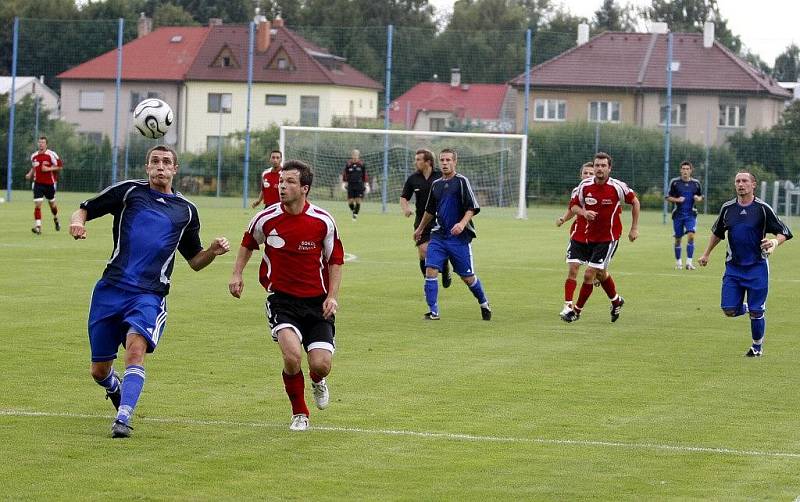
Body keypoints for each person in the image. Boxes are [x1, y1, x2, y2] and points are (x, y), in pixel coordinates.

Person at [69, 145, 230, 438]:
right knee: (99, 371)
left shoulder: (186, 211)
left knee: (135, 349)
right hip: (110, 290)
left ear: (175, 169)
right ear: (146, 167)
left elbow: (195, 261)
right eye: (155, 161)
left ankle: (123, 417)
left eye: (166, 162)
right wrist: (77, 223)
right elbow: (85, 208)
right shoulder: (130, 192)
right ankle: (114, 387)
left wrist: (212, 252)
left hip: (149, 294)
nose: (160, 166)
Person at [229, 160, 344, 432]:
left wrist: (332, 296)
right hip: (282, 300)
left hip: (317, 303)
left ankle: (317, 380)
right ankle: (299, 413)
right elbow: (247, 243)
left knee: (321, 364)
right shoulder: (265, 218)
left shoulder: (322, 221)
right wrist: (237, 274)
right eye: (281, 181)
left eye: (290, 181)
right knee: (292, 357)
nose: (282, 186)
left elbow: (335, 260)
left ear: (304, 188)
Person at [698, 171, 792, 357]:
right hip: (733, 268)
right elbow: (718, 232)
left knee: (757, 313)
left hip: (757, 267)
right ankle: (749, 306)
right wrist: (706, 253)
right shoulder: (727, 208)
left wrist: (774, 242)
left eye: (744, 181)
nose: (740, 184)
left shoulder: (763, 209)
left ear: (753, 185)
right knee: (729, 310)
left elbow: (784, 232)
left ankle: (757, 347)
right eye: (737, 181)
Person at [561, 152, 640, 323]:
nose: (599, 168)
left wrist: (634, 228)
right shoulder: (585, 185)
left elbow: (635, 202)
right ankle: (616, 300)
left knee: (589, 274)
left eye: (603, 165)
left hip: (608, 238)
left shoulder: (617, 187)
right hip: (589, 237)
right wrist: (584, 212)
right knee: (601, 274)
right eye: (597, 165)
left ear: (609, 168)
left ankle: (576, 311)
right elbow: (573, 206)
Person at [413, 148, 491, 321]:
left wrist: (462, 224)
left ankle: (484, 302)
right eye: (442, 160)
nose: (445, 163)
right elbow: (430, 210)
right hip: (438, 236)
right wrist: (419, 229)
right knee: (430, 269)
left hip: (458, 239)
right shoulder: (437, 184)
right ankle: (434, 311)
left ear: (455, 162)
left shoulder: (462, 181)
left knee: (467, 277)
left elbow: (472, 207)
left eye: (448, 160)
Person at [400, 148, 452, 288]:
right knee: (423, 252)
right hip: (421, 220)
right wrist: (406, 209)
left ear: (428, 162)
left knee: (439, 249)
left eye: (418, 159)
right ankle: (428, 283)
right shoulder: (413, 179)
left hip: (440, 220)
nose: (415, 162)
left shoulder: (441, 176)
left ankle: (445, 266)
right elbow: (404, 197)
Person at [556, 161, 594, 316]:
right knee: (573, 269)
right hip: (578, 235)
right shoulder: (577, 191)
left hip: (597, 238)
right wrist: (564, 219)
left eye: (591, 173)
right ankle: (568, 305)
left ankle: (615, 300)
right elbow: (573, 208)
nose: (588, 175)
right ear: (581, 175)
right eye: (586, 173)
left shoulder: (602, 190)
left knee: (596, 274)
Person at [666, 160, 703, 269]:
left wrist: (698, 198)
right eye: (683, 169)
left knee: (691, 235)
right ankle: (678, 263)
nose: (685, 171)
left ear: (691, 170)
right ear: (680, 170)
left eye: (687, 169)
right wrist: (677, 199)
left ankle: (689, 262)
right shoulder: (675, 182)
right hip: (678, 215)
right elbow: (668, 197)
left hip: (691, 215)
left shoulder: (696, 183)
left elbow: (701, 196)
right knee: (678, 239)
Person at [25, 136, 63, 234]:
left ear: (46, 144)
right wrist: (30, 174)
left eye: (43, 142)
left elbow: (60, 166)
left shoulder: (51, 154)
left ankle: (56, 219)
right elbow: (34, 167)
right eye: (39, 142)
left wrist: (48, 169)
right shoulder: (34, 156)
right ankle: (38, 227)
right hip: (37, 184)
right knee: (38, 205)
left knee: (52, 206)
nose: (41, 144)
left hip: (49, 184)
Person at [342, 149, 368, 220]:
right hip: (350, 184)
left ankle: (355, 215)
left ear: (358, 156)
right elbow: (345, 174)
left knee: (358, 200)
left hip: (359, 185)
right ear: (352, 155)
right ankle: (354, 211)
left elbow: (365, 175)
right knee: (350, 201)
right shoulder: (348, 164)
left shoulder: (362, 164)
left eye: (356, 155)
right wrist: (344, 183)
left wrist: (366, 184)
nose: (355, 156)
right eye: (354, 155)